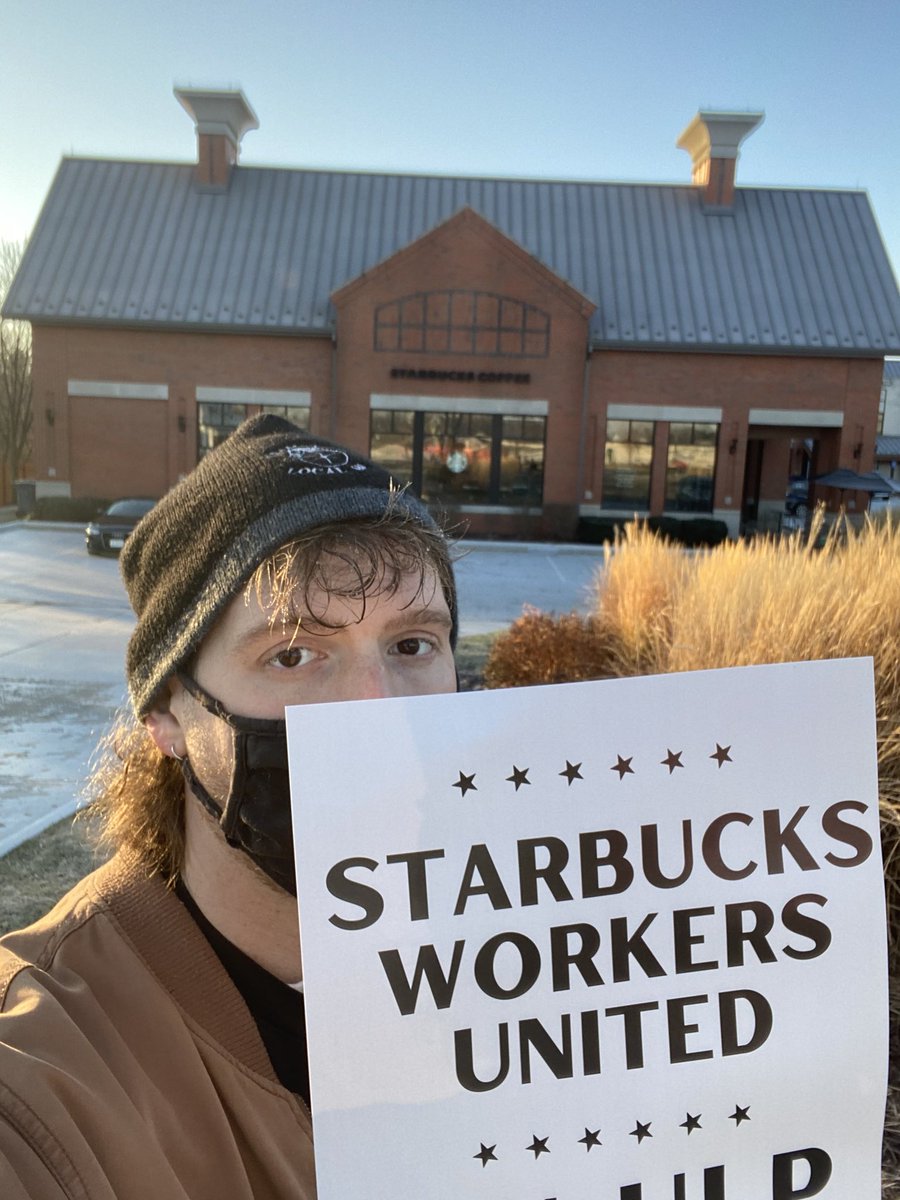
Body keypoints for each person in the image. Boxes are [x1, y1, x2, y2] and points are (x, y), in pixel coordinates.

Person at [0, 415, 459, 1198]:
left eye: (411, 645)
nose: (374, 711)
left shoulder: (542, 952)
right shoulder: (53, 1071)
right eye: (293, 654)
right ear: (168, 713)